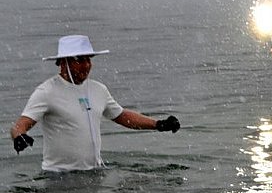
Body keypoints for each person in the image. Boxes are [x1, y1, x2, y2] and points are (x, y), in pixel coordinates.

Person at [10, 34, 180, 172]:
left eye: (88, 59)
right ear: (63, 62)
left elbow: (121, 116)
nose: (86, 66)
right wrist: (19, 136)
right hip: (58, 175)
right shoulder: (47, 92)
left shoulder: (98, 90)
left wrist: (159, 124)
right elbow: (20, 125)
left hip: (94, 171)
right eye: (79, 60)